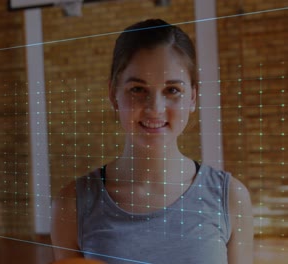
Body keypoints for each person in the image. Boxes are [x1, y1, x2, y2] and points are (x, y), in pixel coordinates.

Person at [50, 19, 253, 264]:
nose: (155, 109)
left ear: (193, 98)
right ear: (114, 94)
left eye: (172, 90)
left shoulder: (230, 197)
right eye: (137, 89)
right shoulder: (72, 204)